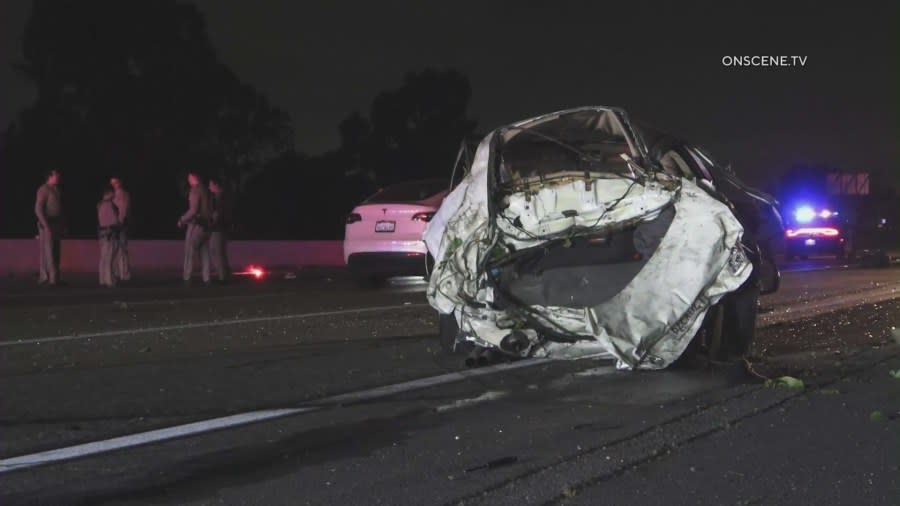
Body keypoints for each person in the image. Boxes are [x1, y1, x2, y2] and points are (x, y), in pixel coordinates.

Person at [177, 171, 213, 285]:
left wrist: (182, 219)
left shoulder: (195, 190)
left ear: (194, 178)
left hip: (196, 225)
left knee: (189, 251)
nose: (188, 180)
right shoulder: (207, 190)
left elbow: (193, 210)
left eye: (189, 178)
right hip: (207, 225)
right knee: (204, 252)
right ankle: (206, 278)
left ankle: (187, 277)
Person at [34, 170, 63, 286]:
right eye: (56, 175)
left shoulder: (56, 190)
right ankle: (47, 278)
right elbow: (38, 209)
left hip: (56, 223)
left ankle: (55, 278)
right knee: (48, 252)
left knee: (56, 252)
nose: (59, 176)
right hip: (48, 223)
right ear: (49, 177)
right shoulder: (43, 189)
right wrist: (45, 225)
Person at [208, 177, 233, 283]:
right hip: (221, 228)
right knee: (218, 252)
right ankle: (224, 275)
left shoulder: (220, 197)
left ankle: (223, 277)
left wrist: (212, 222)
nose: (209, 187)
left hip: (218, 228)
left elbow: (217, 213)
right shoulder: (223, 196)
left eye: (210, 185)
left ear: (216, 185)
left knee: (217, 252)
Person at [97, 187, 120, 287]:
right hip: (109, 233)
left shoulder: (99, 204)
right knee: (109, 258)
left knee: (104, 257)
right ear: (109, 193)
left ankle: (103, 279)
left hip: (102, 233)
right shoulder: (109, 205)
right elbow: (113, 220)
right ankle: (109, 280)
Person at [110, 176, 131, 282]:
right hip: (119, 224)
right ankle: (121, 273)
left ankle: (124, 274)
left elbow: (122, 210)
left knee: (121, 250)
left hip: (119, 225)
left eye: (115, 183)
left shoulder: (121, 194)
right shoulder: (121, 194)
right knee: (119, 250)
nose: (114, 185)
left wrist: (119, 223)